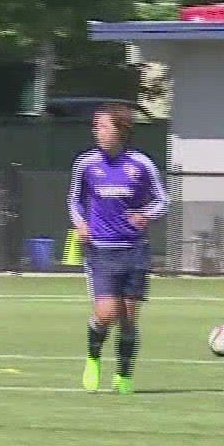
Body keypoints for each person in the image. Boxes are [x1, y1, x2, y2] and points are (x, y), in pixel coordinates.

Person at [69, 103, 167, 394]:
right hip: (101, 250)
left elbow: (163, 199)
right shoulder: (86, 164)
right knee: (106, 314)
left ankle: (124, 376)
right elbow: (74, 200)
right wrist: (80, 224)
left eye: (103, 126)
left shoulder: (141, 164)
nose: (96, 131)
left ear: (120, 130)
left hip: (135, 250)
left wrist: (146, 214)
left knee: (128, 319)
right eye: (95, 126)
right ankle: (93, 358)